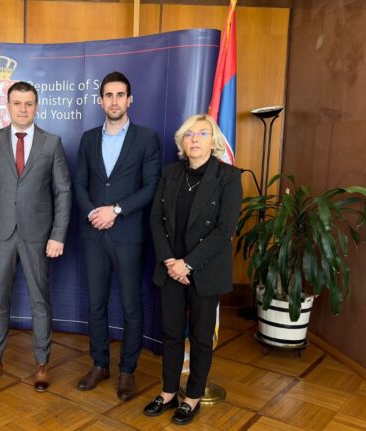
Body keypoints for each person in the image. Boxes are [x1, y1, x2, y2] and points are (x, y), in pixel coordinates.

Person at [0, 81, 72, 392]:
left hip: (38, 235)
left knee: (40, 301)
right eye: (17, 103)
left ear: (36, 106)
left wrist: (58, 235)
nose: (23, 109)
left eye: (29, 103)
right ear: (8, 106)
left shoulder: (51, 142)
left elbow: (63, 192)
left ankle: (42, 364)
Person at [144, 114, 242, 425]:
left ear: (213, 142)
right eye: (189, 134)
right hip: (171, 268)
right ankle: (168, 392)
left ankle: (193, 396)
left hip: (205, 270)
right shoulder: (171, 173)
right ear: (182, 142)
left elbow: (224, 230)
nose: (195, 139)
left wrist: (187, 264)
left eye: (202, 133)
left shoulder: (228, 176)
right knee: (171, 333)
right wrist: (170, 262)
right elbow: (156, 220)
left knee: (200, 337)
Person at [73, 71, 161, 400]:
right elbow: (80, 183)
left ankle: (127, 370)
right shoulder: (87, 139)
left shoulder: (146, 138)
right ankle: (99, 364)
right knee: (96, 304)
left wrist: (116, 210)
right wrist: (93, 213)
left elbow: (151, 186)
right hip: (94, 233)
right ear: (100, 101)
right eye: (108, 95)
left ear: (129, 100)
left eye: (120, 95)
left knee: (130, 305)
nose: (114, 101)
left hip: (128, 234)